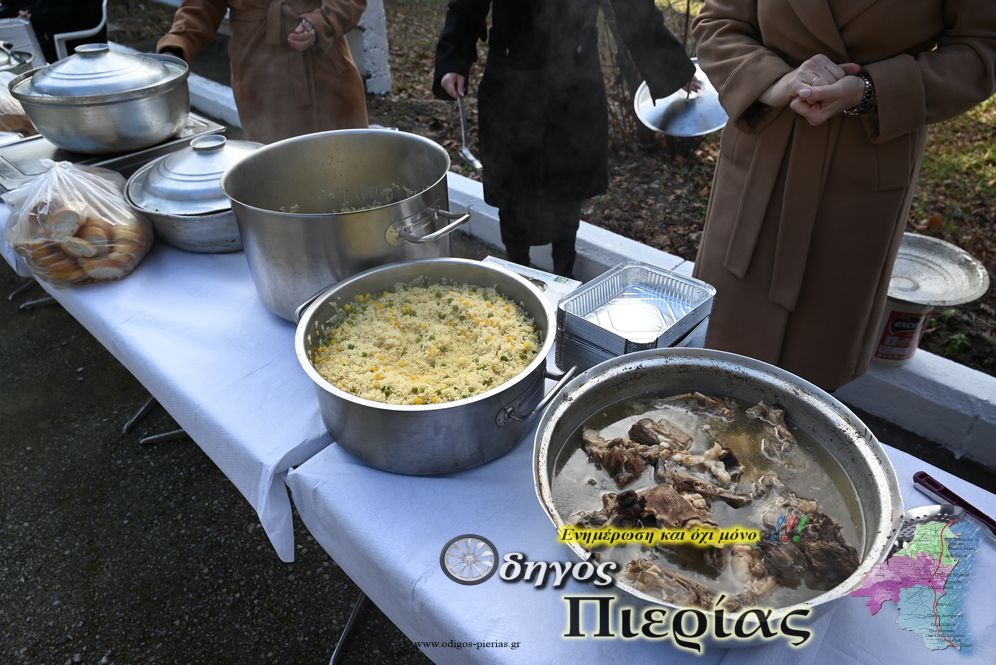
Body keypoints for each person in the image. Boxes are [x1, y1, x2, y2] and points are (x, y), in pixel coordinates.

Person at [690, 0, 996, 390]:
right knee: (717, 346)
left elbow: (982, 50)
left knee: (812, 370)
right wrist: (774, 81)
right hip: (762, 154)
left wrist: (872, 89)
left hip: (861, 168)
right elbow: (718, 21)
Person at [433, 0, 696, 277]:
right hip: (511, 83)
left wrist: (672, 70)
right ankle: (516, 274)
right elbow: (466, 5)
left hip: (575, 84)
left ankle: (564, 276)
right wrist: (453, 59)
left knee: (568, 188)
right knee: (513, 189)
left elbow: (633, 8)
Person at [158, 0, 368, 144]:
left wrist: (322, 21)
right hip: (259, 80)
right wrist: (176, 47)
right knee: (278, 178)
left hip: (326, 69)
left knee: (350, 164)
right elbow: (201, 7)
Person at [12, 0, 106, 62]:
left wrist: (33, 17)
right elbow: (46, 4)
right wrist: (28, 12)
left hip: (76, 42)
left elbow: (74, 17)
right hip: (52, 35)